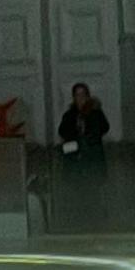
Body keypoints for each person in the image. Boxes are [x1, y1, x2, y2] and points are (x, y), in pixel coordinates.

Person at [52, 81, 111, 232]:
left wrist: (88, 138)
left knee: (93, 193)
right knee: (77, 193)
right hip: (75, 162)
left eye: (83, 95)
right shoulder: (70, 115)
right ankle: (80, 222)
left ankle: (94, 222)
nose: (80, 98)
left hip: (91, 160)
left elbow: (103, 128)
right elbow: (63, 131)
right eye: (77, 95)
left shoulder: (95, 113)